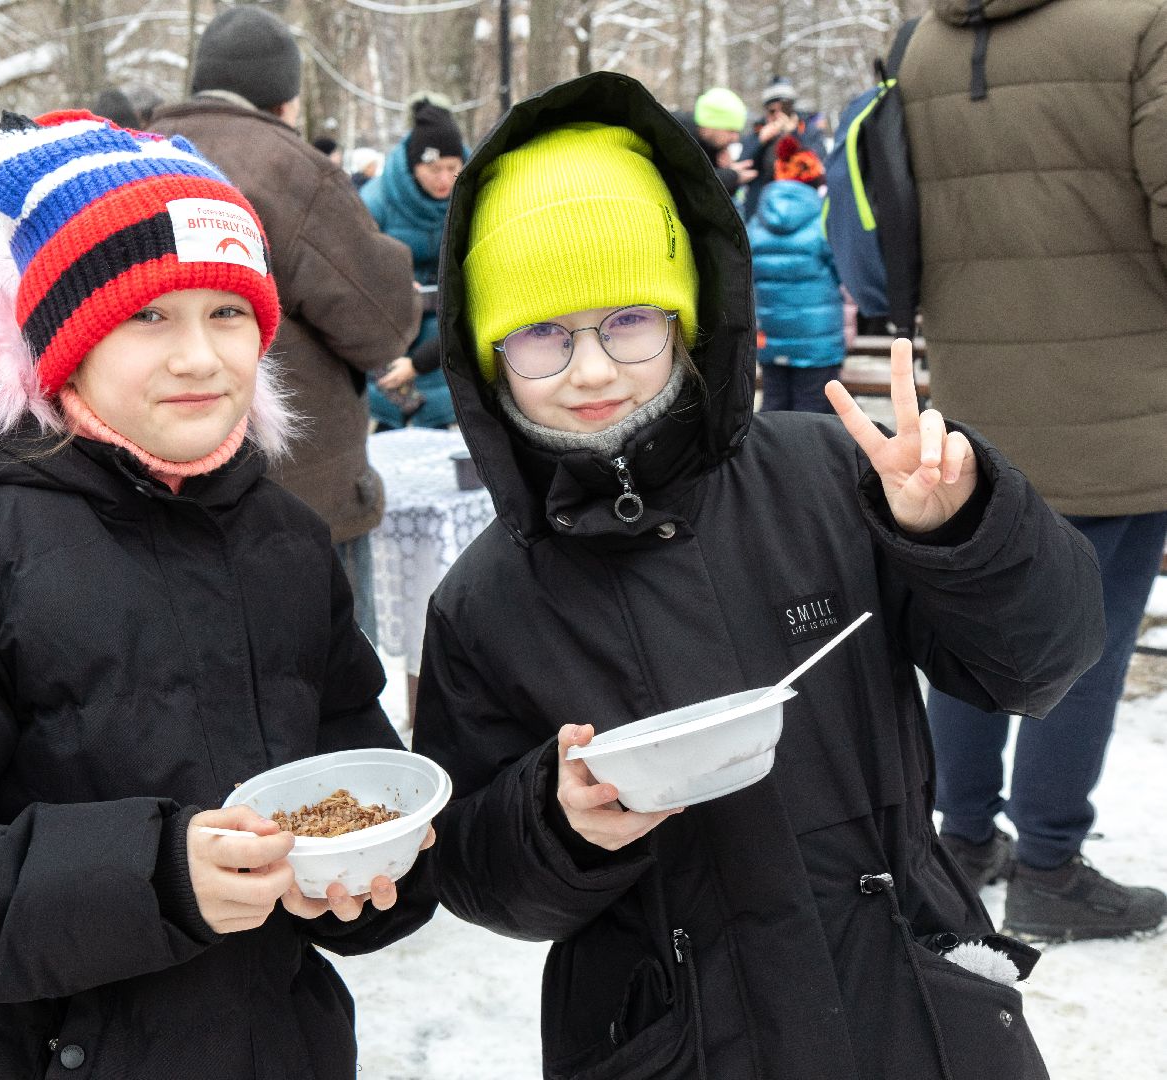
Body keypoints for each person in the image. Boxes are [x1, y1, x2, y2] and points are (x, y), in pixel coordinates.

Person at [410, 71, 1104, 1080]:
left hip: (914, 1014)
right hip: (673, 1039)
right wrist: (558, 823)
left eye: (629, 321)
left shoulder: (827, 480)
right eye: (542, 336)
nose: (593, 369)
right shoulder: (483, 601)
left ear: (688, 315)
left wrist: (964, 532)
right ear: (487, 354)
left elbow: (1040, 662)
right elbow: (478, 873)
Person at [0, 109, 434, 1080]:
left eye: (228, 312)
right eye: (147, 315)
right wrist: (157, 879)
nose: (201, 356)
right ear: (64, 340)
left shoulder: (287, 542)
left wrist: (374, 877)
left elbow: (349, 772)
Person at [900, 0, 1167, 941]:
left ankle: (965, 838)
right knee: (1082, 649)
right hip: (1119, 409)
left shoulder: (925, 40)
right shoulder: (1141, 24)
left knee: (973, 630)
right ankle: (1050, 867)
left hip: (973, 414)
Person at [147, 5, 419, 643]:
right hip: (300, 489)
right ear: (284, 98)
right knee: (331, 705)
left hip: (166, 485)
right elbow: (379, 318)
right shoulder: (285, 168)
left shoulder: (138, 155)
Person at [364, 98, 464, 432]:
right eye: (433, 169)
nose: (445, 179)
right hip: (390, 326)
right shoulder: (377, 200)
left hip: (444, 334)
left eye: (453, 167)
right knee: (392, 413)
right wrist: (391, 282)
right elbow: (353, 265)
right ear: (412, 166)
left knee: (439, 431)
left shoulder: (470, 195)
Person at [749, 174, 843, 413]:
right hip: (816, 336)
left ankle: (768, 451)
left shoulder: (756, 222)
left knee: (774, 404)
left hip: (770, 333)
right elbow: (841, 270)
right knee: (812, 409)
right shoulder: (823, 220)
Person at [738, 76, 824, 219]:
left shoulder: (808, 130)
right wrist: (760, 142)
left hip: (801, 207)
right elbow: (742, 165)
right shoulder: (757, 132)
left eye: (784, 109)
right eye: (772, 111)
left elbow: (818, 162)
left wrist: (793, 135)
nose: (779, 115)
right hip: (761, 209)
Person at [674, 86, 756, 197]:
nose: (735, 138)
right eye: (731, 131)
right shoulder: (678, 135)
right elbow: (692, 183)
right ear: (710, 124)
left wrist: (726, 170)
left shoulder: (711, 146)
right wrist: (733, 175)